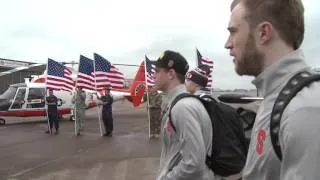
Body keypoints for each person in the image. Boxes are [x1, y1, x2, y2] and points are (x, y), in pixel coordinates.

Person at [225, 0, 320, 179]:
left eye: (233, 31)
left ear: (263, 33)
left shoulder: (304, 111)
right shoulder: (277, 97)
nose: (227, 44)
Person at [153, 50, 217, 180]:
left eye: (157, 71)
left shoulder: (183, 107)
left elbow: (193, 163)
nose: (153, 75)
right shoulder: (178, 103)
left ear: (171, 74)